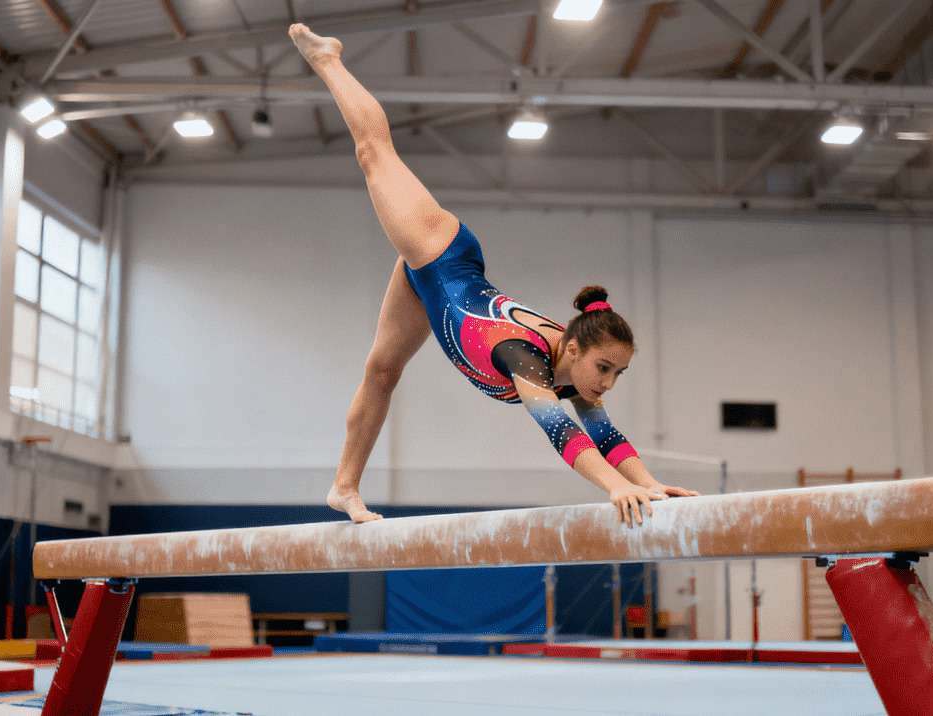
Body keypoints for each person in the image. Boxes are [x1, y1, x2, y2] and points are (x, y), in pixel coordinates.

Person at [289, 23, 698, 526]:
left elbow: (605, 435)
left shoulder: (575, 374)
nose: (608, 383)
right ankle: (328, 58)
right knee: (374, 153)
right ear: (573, 349)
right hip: (439, 251)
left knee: (381, 373)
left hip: (429, 284)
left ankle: (344, 488)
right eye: (605, 368)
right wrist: (615, 487)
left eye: (617, 373)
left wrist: (647, 483)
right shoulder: (523, 356)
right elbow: (561, 432)